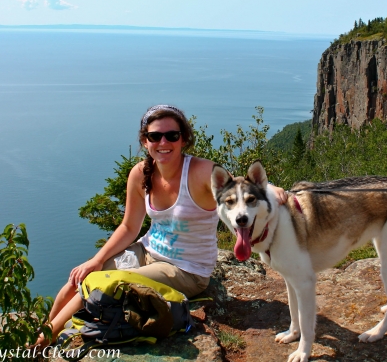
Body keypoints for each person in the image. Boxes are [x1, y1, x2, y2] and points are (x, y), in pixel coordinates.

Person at [33, 104, 287, 349]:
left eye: (171, 135)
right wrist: (96, 260)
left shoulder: (200, 172)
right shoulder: (140, 173)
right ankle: (42, 332)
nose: (163, 143)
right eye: (155, 136)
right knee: (79, 278)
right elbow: (129, 227)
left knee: (101, 284)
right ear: (145, 141)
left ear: (184, 139)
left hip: (187, 270)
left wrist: (271, 189)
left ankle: (42, 343)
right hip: (147, 252)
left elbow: (240, 190)